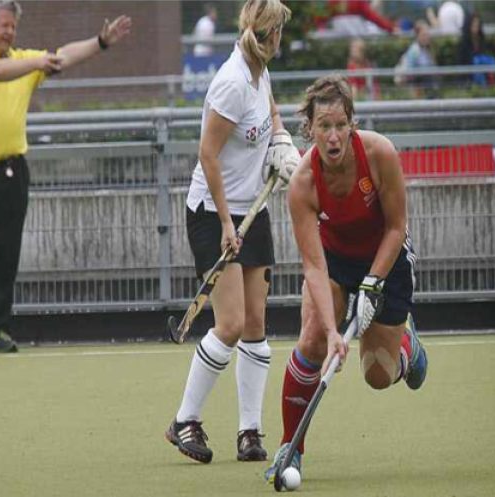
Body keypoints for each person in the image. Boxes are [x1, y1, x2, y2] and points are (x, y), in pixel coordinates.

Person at [0, 0, 131, 355]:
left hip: (12, 171)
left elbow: (62, 57)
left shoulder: (25, 60)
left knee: (6, 254)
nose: (9, 32)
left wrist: (100, 42)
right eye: (4, 25)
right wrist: (35, 62)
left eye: (13, 27)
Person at [264, 74, 428, 484]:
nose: (333, 136)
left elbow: (396, 227)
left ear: (352, 123)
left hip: (385, 258)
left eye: (340, 125)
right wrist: (334, 330)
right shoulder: (302, 185)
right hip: (335, 261)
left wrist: (374, 281)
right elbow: (314, 266)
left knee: (377, 375)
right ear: (310, 129)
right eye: (324, 126)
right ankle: (291, 449)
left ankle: (408, 346)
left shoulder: (379, 154)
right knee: (313, 339)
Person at [165, 0, 299, 464]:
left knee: (257, 324)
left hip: (253, 210)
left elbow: (273, 114)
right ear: (272, 34)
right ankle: (185, 420)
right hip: (212, 213)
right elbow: (207, 154)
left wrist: (281, 143)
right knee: (230, 324)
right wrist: (224, 222)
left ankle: (250, 431)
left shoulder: (261, 73)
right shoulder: (231, 82)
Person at [395, 20, 439, 98]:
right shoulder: (414, 51)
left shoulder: (428, 50)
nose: (427, 37)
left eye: (427, 35)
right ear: (417, 36)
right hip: (417, 83)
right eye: (424, 35)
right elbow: (408, 72)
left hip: (426, 84)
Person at [457, 11, 495, 86]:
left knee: (491, 61)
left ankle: (491, 84)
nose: (476, 26)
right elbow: (464, 60)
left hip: (481, 65)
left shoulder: (481, 39)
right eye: (474, 24)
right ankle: (481, 85)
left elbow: (484, 53)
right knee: (477, 62)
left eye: (477, 24)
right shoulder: (464, 41)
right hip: (469, 70)